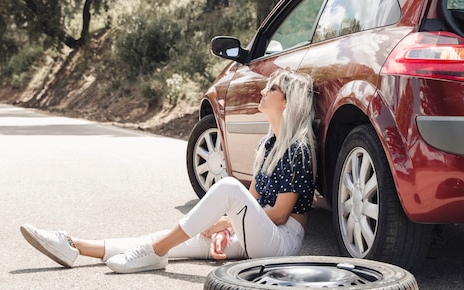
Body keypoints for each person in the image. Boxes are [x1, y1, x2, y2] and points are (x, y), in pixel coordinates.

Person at [20, 68, 317, 274]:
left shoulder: (298, 150)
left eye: (273, 88)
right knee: (178, 238)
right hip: (260, 232)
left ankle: (154, 251)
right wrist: (227, 227)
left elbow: (278, 215)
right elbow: (253, 200)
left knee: (228, 188)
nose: (263, 91)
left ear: (288, 101)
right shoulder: (268, 146)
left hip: (281, 242)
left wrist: (224, 223)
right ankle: (74, 245)